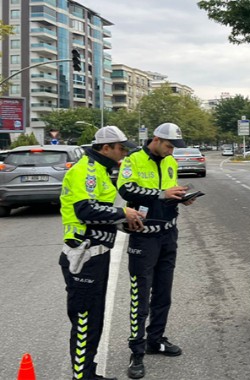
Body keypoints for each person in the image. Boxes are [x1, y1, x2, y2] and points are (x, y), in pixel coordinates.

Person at [59, 126, 144, 380]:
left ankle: (89, 372)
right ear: (105, 148)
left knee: (94, 318)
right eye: (120, 148)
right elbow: (86, 211)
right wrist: (122, 214)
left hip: (97, 254)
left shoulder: (103, 172)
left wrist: (127, 220)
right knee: (85, 320)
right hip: (84, 256)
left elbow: (104, 210)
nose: (123, 153)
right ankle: (82, 376)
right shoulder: (87, 171)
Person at [117, 122, 194, 379]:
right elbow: (127, 189)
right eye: (169, 146)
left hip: (168, 233)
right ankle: (136, 352)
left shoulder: (170, 161)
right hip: (144, 237)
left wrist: (182, 196)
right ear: (157, 139)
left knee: (163, 292)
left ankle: (155, 339)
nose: (172, 151)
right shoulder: (133, 160)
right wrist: (162, 194)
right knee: (141, 296)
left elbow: (169, 191)